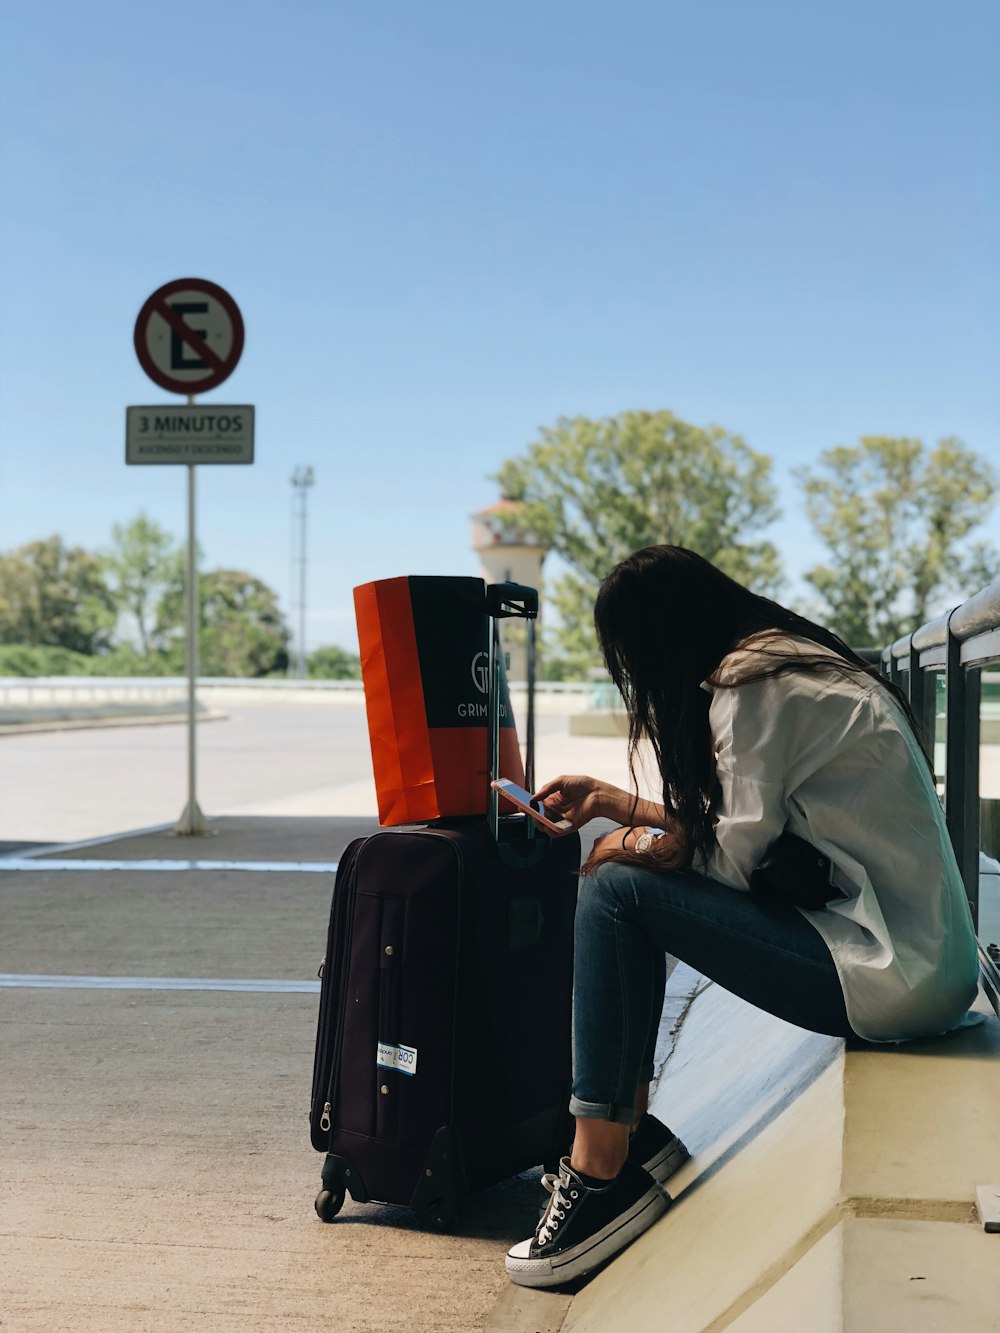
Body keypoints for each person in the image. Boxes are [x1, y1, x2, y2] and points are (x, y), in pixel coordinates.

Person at [505, 545, 981, 1289]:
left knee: (614, 887)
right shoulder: (790, 665)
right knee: (621, 869)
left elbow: (726, 863)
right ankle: (625, 1136)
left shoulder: (754, 688)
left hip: (890, 973)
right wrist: (614, 802)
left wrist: (625, 844)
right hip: (919, 959)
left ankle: (598, 1170)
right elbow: (737, 834)